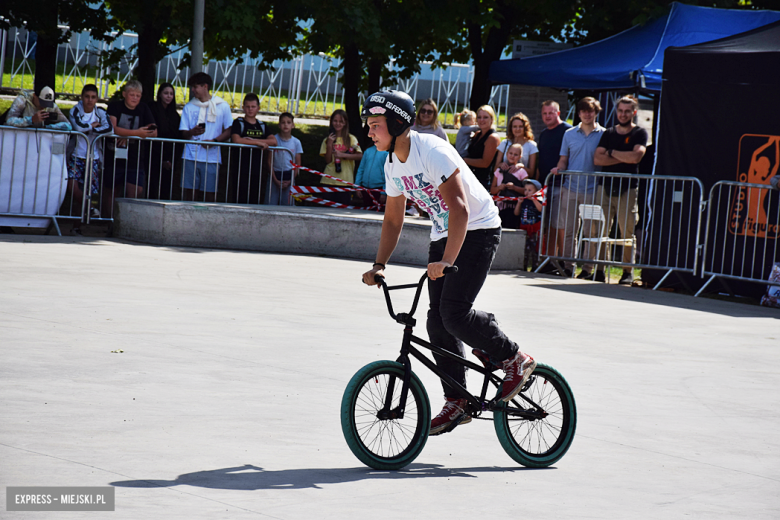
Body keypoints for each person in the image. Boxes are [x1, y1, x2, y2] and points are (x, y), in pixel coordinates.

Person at [360, 90, 536, 436]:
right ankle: (457, 399)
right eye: (369, 126)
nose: (369, 132)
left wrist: (447, 261)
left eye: (375, 125)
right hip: (445, 233)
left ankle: (512, 357)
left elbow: (460, 208)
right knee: (436, 321)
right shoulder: (392, 162)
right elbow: (393, 219)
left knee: (454, 312)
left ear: (397, 123)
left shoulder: (432, 151)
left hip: (479, 228)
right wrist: (379, 263)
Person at [593, 95, 648, 285]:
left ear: (634, 112)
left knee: (627, 231)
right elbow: (597, 159)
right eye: (620, 111)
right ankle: (599, 270)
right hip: (605, 186)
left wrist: (612, 153)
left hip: (628, 188)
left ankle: (627, 272)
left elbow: (636, 157)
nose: (623, 114)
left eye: (627, 111)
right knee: (601, 229)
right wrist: (624, 156)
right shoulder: (608, 133)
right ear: (616, 112)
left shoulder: (639, 133)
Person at [553, 97, 605, 279]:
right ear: (579, 113)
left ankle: (588, 269)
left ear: (596, 112)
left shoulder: (603, 134)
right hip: (570, 188)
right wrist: (558, 169)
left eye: (590, 111)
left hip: (593, 190)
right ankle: (568, 266)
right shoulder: (569, 134)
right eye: (583, 111)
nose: (587, 114)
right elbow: (563, 159)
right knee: (569, 230)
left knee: (591, 231)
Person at [105, 80, 157, 215]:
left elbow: (154, 132)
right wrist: (136, 133)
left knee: (136, 190)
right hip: (114, 156)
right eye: (131, 94)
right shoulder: (115, 106)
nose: (135, 98)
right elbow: (112, 128)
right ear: (124, 94)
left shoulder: (144, 108)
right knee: (112, 189)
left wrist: (126, 135)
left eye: (138, 95)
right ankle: (110, 221)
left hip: (135, 157)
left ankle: (127, 220)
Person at [179, 72, 233, 202]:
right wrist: (192, 132)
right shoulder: (189, 106)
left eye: (195, 87)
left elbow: (229, 129)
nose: (193, 90)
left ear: (205, 86)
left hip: (212, 157)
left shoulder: (222, 106)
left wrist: (214, 141)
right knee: (190, 192)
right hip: (190, 155)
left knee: (210, 192)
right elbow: (183, 131)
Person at [66, 84, 112, 234]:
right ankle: (90, 208)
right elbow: (78, 128)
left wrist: (92, 128)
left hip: (93, 157)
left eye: (93, 97)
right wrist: (92, 127)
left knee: (90, 191)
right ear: (82, 97)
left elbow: (109, 129)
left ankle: (77, 227)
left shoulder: (101, 112)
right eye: (87, 97)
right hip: (76, 156)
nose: (90, 100)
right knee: (72, 187)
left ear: (97, 99)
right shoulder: (75, 110)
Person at [537, 100, 572, 273]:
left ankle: (563, 262)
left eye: (551, 113)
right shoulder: (543, 134)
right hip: (546, 186)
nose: (548, 116)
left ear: (558, 113)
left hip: (562, 185)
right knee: (548, 225)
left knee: (560, 225)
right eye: (545, 113)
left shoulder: (568, 131)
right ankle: (549, 261)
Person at [229, 93, 277, 204]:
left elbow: (273, 141)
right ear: (243, 107)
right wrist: (257, 142)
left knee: (254, 196)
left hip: (257, 167)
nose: (250, 109)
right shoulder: (238, 122)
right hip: (240, 167)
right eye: (247, 106)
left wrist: (253, 141)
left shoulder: (262, 125)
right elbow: (236, 139)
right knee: (239, 196)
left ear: (258, 108)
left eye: (253, 107)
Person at [320, 109, 362, 204]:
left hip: (345, 180)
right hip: (328, 180)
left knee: (343, 210)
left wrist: (343, 155)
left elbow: (360, 156)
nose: (337, 124)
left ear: (345, 123)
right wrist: (330, 144)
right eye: (335, 121)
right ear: (331, 122)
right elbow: (327, 161)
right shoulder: (327, 140)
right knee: (327, 210)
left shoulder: (351, 139)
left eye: (341, 121)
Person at [149, 82, 182, 200]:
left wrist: (170, 160)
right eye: (166, 93)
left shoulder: (175, 116)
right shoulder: (152, 110)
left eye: (171, 94)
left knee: (166, 187)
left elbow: (178, 138)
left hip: (169, 157)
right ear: (160, 94)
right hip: (153, 155)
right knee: (152, 186)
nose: (168, 96)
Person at [489, 143, 528, 228]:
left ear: (520, 157)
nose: (512, 156)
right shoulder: (499, 171)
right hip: (500, 206)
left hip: (515, 207)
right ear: (506, 154)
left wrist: (515, 188)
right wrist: (499, 188)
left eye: (516, 154)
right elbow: (492, 189)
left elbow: (526, 190)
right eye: (510, 153)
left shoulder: (522, 172)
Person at [464, 105, 501, 190]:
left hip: (482, 182)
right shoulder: (477, 134)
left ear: (491, 119)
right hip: (470, 178)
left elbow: (485, 163)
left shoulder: (492, 138)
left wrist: (464, 160)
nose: (481, 120)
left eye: (485, 117)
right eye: (479, 117)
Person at [269, 112, 303, 205]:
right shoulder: (274, 140)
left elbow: (298, 164)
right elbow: (269, 161)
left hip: (289, 176)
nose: (286, 125)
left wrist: (290, 180)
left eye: (288, 122)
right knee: (270, 203)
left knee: (288, 204)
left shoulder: (296, 142)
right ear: (279, 125)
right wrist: (275, 179)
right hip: (275, 175)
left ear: (293, 125)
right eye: (283, 122)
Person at [4, 84, 71, 130]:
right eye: (42, 102)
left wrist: (48, 127)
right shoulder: (22, 101)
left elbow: (68, 125)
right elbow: (9, 121)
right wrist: (31, 120)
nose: (44, 106)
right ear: (34, 96)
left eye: (47, 103)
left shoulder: (52, 107)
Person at [496, 112, 538, 178]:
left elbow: (532, 173)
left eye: (520, 126)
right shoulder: (504, 143)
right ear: (511, 128)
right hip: (503, 181)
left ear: (525, 128)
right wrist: (501, 165)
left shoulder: (532, 145)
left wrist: (520, 167)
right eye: (514, 126)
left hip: (521, 184)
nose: (517, 129)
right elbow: (495, 168)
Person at [514, 179, 544, 271]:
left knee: (534, 248)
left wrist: (534, 200)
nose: (526, 192)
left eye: (529, 190)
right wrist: (519, 203)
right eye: (525, 190)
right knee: (525, 248)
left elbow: (541, 209)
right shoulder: (523, 201)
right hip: (524, 227)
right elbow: (516, 213)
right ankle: (523, 266)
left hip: (535, 228)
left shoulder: (539, 200)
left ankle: (535, 266)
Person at [354, 141, 389, 207]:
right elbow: (361, 169)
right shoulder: (368, 151)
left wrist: (384, 192)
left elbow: (388, 174)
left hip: (379, 189)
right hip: (365, 189)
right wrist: (357, 187)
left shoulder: (386, 153)